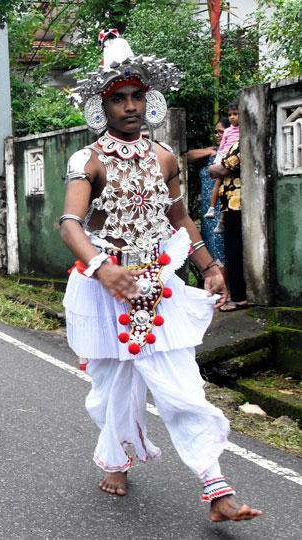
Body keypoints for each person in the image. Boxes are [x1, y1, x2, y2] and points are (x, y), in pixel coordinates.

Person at [60, 31, 261, 522]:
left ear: (148, 101)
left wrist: (210, 266)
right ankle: (116, 457)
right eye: (118, 98)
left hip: (159, 284)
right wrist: (104, 269)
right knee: (112, 387)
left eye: (137, 97)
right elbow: (69, 224)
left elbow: (180, 219)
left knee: (182, 385)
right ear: (101, 107)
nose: (130, 106)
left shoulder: (165, 157)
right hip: (104, 287)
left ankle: (216, 489)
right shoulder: (87, 161)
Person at [209, 137, 249, 311]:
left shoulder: (244, 142)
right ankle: (238, 294)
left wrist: (213, 168)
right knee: (234, 249)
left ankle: (239, 297)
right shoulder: (238, 141)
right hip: (232, 205)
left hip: (236, 204)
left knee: (233, 249)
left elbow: (223, 169)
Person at [186, 118, 228, 264]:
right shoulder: (212, 152)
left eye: (221, 132)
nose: (217, 135)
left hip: (220, 207)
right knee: (209, 247)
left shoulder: (228, 153)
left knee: (220, 250)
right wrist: (210, 151)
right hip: (207, 208)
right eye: (216, 132)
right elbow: (188, 156)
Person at [205, 102, 240, 234]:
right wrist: (218, 158)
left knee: (225, 190)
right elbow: (223, 146)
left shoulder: (243, 131)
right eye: (230, 114)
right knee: (219, 184)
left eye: (235, 114)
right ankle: (212, 208)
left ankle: (221, 219)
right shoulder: (229, 131)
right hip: (224, 157)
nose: (232, 117)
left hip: (231, 161)